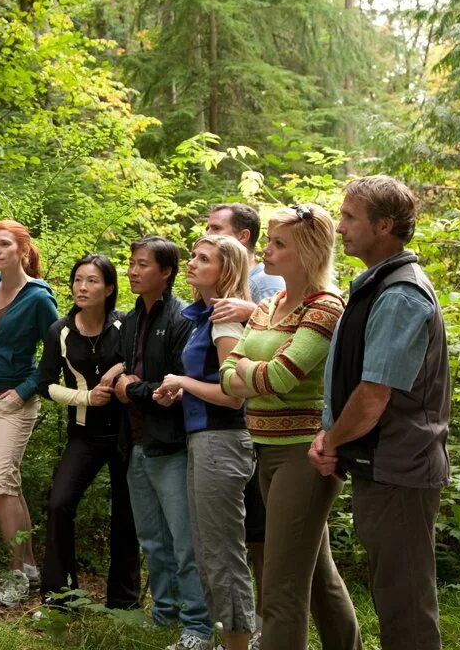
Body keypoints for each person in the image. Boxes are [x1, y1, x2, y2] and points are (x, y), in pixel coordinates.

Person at [310, 176, 450, 650]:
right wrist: (331, 432)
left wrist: (330, 440)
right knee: (395, 594)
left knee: (406, 606)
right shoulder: (376, 285)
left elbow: (373, 397)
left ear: (384, 225)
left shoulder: (399, 295)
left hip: (401, 469)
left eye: (350, 217)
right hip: (383, 465)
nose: (341, 227)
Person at [219, 205, 361, 650]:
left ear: (308, 252)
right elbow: (227, 376)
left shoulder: (326, 307)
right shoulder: (268, 305)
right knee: (319, 578)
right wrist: (249, 373)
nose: (267, 249)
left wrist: (247, 371)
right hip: (265, 448)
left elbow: (281, 379)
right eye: (271, 241)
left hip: (304, 455)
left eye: (280, 243)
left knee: (280, 587)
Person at [156, 235, 256, 650]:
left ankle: (240, 641)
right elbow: (213, 381)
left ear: (226, 270)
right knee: (208, 547)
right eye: (193, 256)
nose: (191, 264)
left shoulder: (226, 320)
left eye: (203, 259)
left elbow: (234, 394)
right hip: (204, 440)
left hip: (223, 441)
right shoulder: (205, 317)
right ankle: (233, 637)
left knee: (221, 551)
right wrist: (184, 390)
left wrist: (182, 381)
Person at [111, 237, 210, 650]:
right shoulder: (131, 318)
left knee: (184, 541)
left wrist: (129, 389)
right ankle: (164, 611)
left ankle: (199, 625)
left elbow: (175, 389)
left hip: (170, 445)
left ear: (165, 272)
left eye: (143, 265)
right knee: (151, 537)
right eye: (131, 264)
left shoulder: (181, 318)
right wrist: (122, 383)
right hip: (135, 443)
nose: (133, 271)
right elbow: (127, 375)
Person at [36, 254, 141, 610]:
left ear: (109, 288)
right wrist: (86, 397)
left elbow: (144, 360)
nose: (83, 287)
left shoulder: (126, 324)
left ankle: (123, 603)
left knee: (127, 514)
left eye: (92, 280)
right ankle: (60, 596)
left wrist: (116, 370)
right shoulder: (60, 331)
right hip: (85, 434)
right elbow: (45, 385)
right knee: (59, 504)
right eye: (78, 279)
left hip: (127, 434)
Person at [0, 220, 59, 607]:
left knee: (0, 484)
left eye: (4, 244)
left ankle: (15, 573)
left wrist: (23, 392)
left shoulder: (39, 298)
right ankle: (30, 567)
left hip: (15, 401)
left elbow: (54, 355)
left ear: (23, 250)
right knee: (7, 485)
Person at [206, 202, 282, 629]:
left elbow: (293, 329)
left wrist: (249, 310)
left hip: (263, 418)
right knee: (248, 530)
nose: (208, 233)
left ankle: (270, 622)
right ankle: (249, 620)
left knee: (263, 532)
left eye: (217, 228)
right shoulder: (220, 286)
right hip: (240, 421)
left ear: (243, 237)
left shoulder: (266, 281)